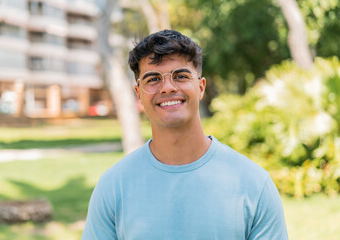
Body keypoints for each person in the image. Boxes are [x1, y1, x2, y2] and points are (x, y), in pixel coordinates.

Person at [82, 29, 288, 240]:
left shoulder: (254, 184)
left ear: (200, 88)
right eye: (153, 79)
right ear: (139, 94)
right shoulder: (113, 187)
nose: (168, 87)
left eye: (180, 76)